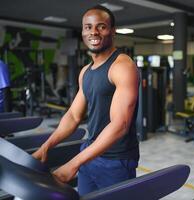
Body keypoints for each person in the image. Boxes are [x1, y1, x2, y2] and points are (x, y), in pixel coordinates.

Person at [33, 5, 140, 196]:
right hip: (89, 153)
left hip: (115, 161)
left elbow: (120, 125)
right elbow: (73, 116)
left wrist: (73, 164)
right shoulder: (85, 72)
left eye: (101, 26)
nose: (94, 32)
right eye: (88, 27)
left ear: (112, 31)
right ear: (82, 31)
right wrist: (46, 146)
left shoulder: (122, 66)